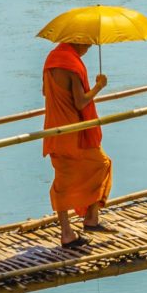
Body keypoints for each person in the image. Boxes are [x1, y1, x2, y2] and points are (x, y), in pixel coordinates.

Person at [42, 42, 115, 248]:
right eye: (88, 45)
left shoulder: (51, 59)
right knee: (102, 164)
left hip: (53, 129)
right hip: (73, 132)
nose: (89, 48)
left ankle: (67, 233)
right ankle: (91, 218)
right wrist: (99, 86)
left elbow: (45, 93)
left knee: (63, 181)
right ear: (78, 40)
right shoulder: (71, 64)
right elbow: (81, 102)